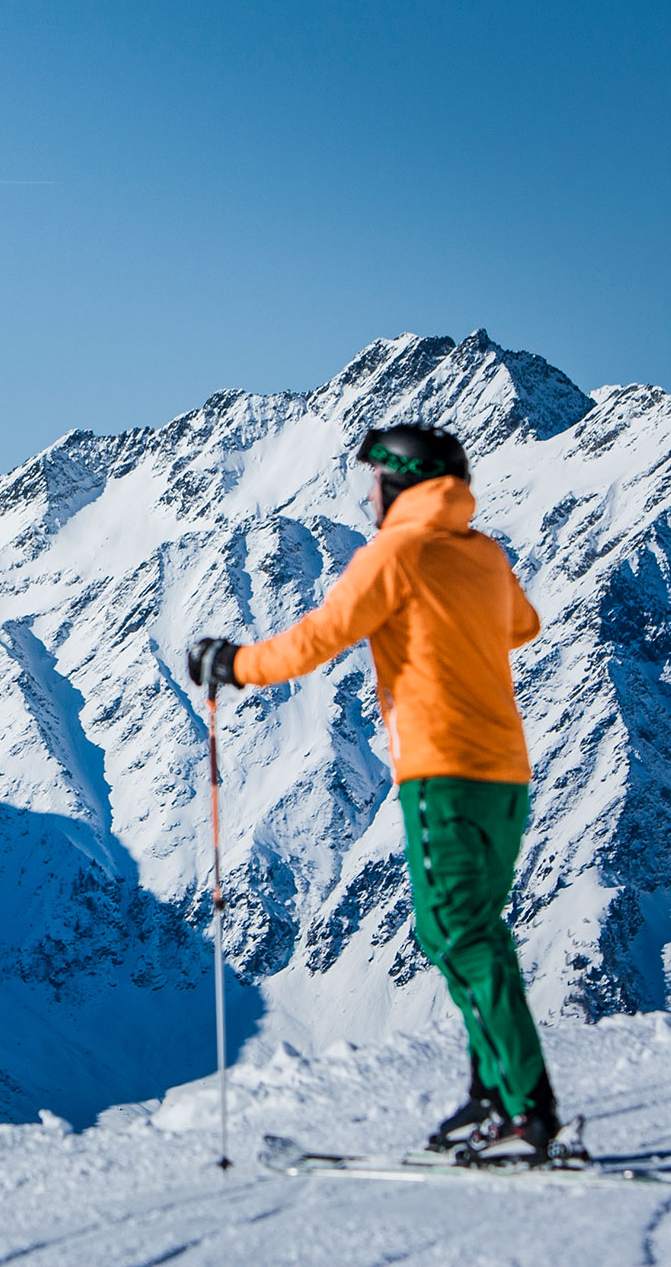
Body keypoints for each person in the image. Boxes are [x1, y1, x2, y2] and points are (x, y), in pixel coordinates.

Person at [185, 423, 559, 1162]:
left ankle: (525, 1110)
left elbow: (316, 640)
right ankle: (494, 1093)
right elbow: (522, 625)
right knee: (474, 929)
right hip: (505, 774)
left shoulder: (394, 554)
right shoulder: (482, 553)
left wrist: (232, 664)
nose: (367, 497)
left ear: (399, 484)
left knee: (457, 934)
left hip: (441, 773)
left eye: (375, 484)